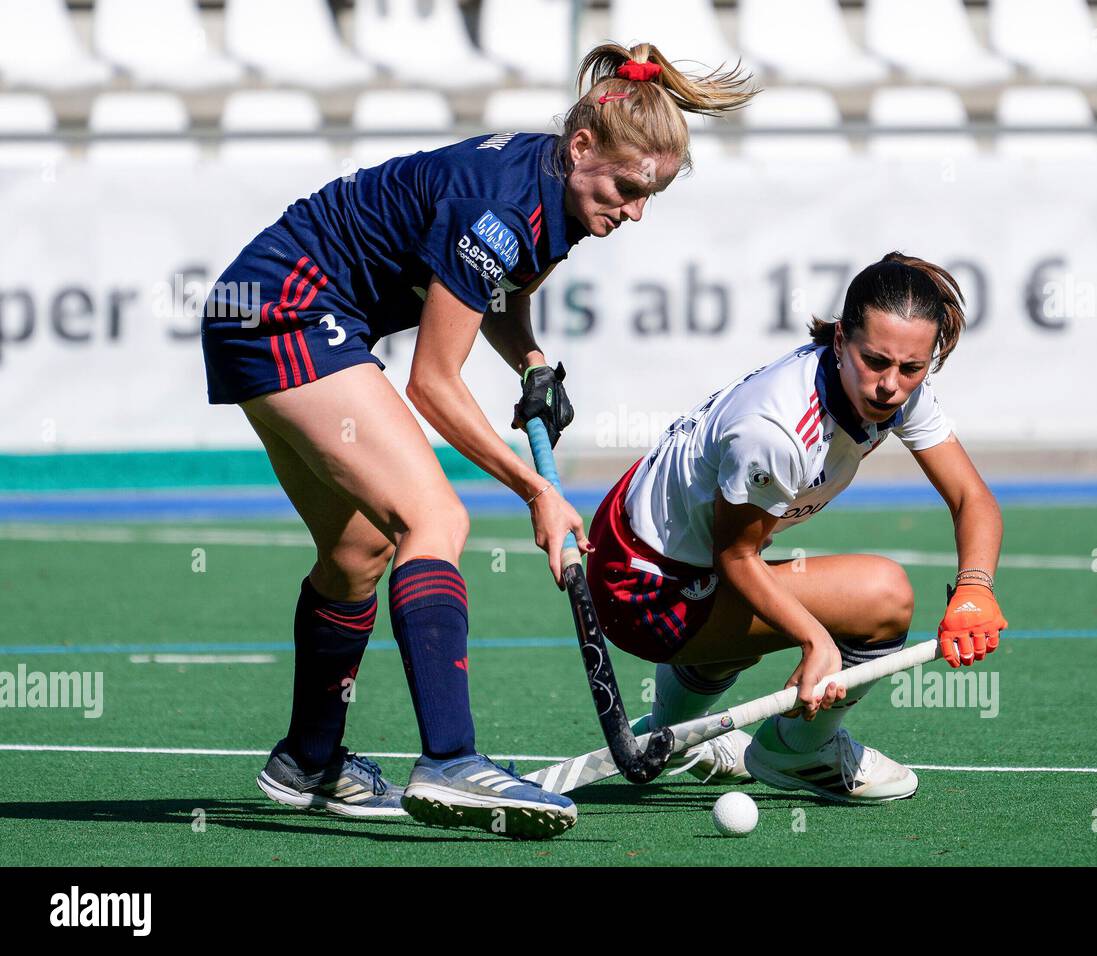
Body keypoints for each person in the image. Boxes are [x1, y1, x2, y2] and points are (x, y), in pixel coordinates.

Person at [199, 43, 757, 838]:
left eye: (651, 197)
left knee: (359, 549)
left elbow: (490, 293)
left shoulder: (555, 194)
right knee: (437, 520)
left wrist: (528, 357)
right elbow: (432, 382)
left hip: (268, 310)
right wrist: (537, 489)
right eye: (629, 189)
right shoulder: (503, 206)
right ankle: (452, 761)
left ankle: (309, 760)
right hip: (285, 310)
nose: (634, 211)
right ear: (582, 148)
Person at [585, 252, 1009, 803]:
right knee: (883, 595)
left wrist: (976, 584)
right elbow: (735, 558)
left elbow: (971, 498)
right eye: (874, 361)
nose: (889, 387)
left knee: (764, 602)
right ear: (839, 340)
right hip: (642, 589)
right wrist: (816, 641)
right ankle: (798, 751)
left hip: (667, 555)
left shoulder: (894, 387)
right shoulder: (777, 428)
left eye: (911, 369)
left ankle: (675, 735)